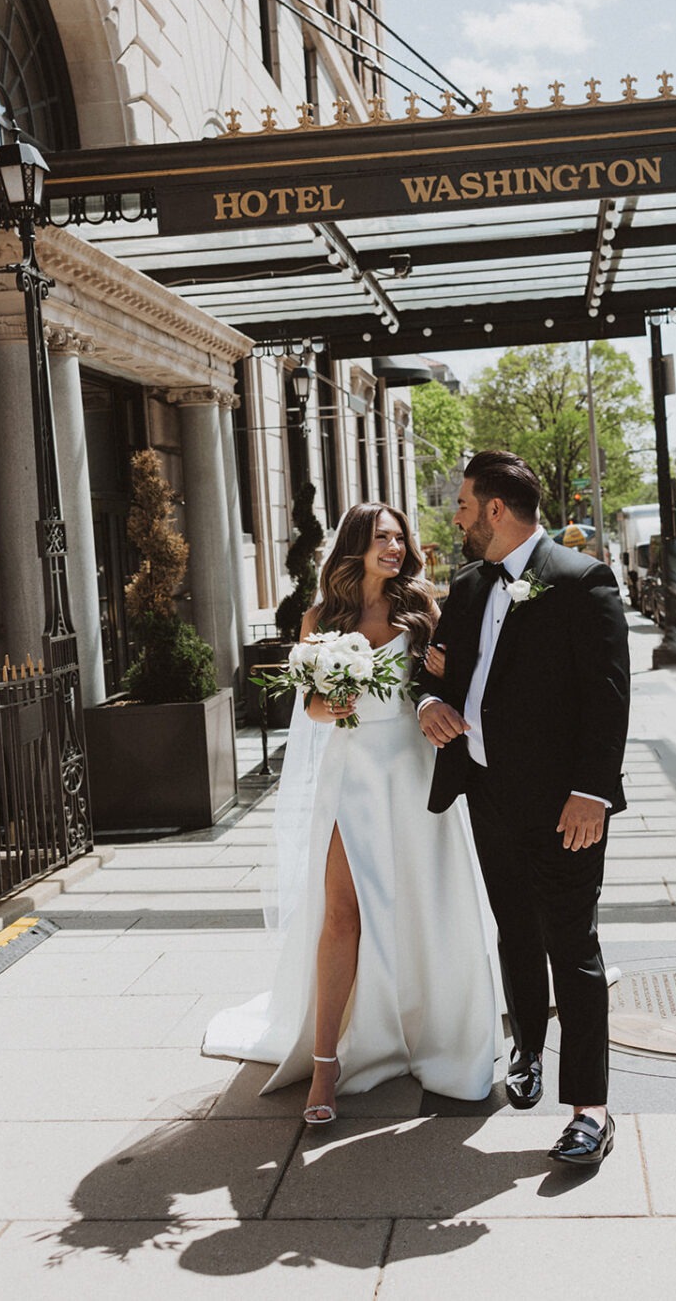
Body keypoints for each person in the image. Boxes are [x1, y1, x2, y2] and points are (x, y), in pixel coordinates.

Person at [203, 503, 498, 1122]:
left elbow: (445, 686)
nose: (394, 547)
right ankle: (327, 1065)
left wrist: (439, 679)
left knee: (424, 901)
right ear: (355, 546)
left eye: (399, 537)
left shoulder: (423, 608)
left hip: (414, 768)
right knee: (341, 914)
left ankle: (432, 1027)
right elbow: (308, 708)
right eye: (381, 538)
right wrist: (330, 705)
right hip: (353, 776)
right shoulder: (322, 617)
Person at [417, 450, 630, 1168]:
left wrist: (592, 793)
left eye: (465, 506)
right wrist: (428, 704)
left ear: (496, 511)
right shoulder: (470, 584)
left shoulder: (581, 579)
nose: (458, 519)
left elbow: (607, 698)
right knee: (514, 931)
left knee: (572, 945)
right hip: (486, 794)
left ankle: (589, 1110)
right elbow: (438, 668)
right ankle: (527, 1053)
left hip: (565, 807)